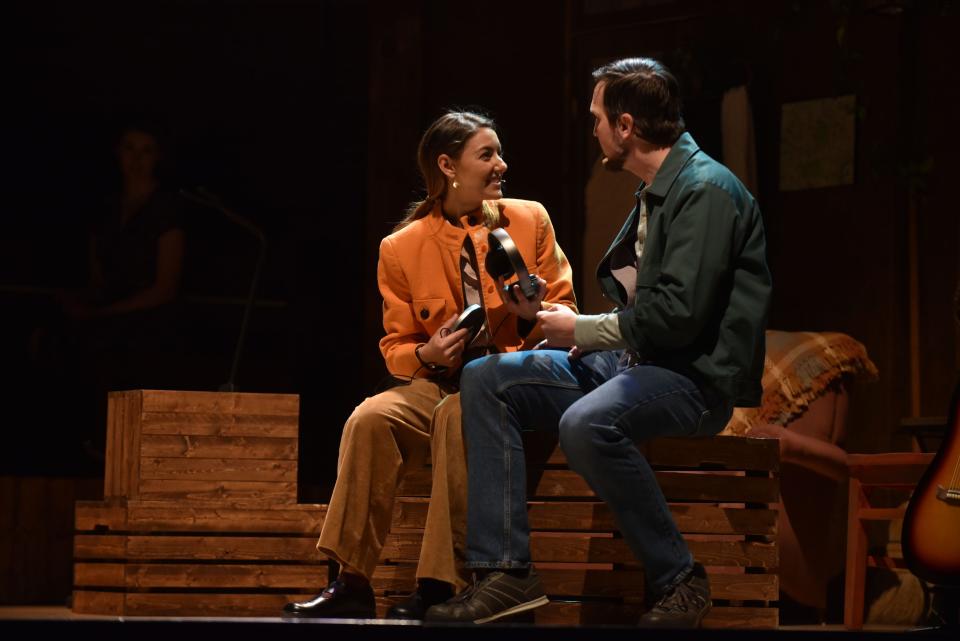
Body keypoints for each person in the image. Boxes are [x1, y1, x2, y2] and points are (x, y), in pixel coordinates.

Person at [426, 58, 772, 627]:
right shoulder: (658, 192)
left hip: (693, 380)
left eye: (597, 118)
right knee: (485, 378)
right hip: (639, 363)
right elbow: (648, 306)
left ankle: (680, 578)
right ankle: (506, 573)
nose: (593, 130)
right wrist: (575, 326)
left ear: (626, 126)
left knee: (586, 423)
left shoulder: (706, 191)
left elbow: (678, 319)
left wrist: (582, 329)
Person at [282, 111, 577, 619]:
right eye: (487, 155)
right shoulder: (401, 247)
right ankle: (351, 580)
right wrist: (426, 354)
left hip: (509, 384)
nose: (501, 165)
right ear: (448, 166)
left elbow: (567, 311)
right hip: (441, 379)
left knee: (455, 416)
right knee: (370, 418)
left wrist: (533, 314)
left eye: (499, 153)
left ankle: (442, 584)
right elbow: (396, 345)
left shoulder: (528, 220)